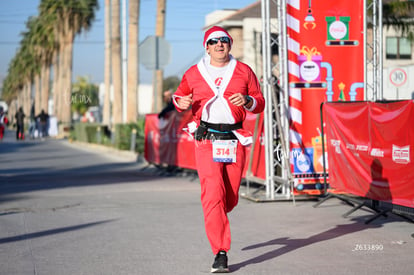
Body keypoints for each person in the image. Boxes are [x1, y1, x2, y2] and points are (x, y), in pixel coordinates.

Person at [173, 26, 265, 273]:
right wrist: (180, 102)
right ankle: (220, 252)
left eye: (224, 40)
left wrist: (247, 101)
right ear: (207, 46)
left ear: (230, 44)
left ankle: (218, 214)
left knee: (230, 196)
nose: (219, 44)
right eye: (213, 41)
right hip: (206, 138)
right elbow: (179, 96)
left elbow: (259, 102)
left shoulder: (244, 71)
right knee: (213, 194)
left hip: (233, 138)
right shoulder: (194, 73)